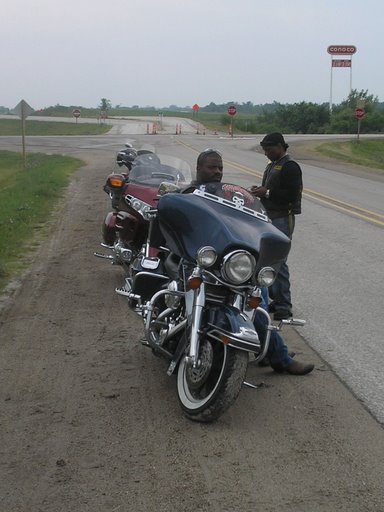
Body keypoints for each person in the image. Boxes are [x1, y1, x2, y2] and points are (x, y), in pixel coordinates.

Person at [192, 149, 314, 376]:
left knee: (258, 301)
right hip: (198, 261)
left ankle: (278, 356)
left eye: (220, 167)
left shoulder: (225, 195)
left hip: (228, 265)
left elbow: (245, 225)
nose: (217, 171)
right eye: (212, 167)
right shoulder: (189, 193)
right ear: (198, 168)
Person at [250, 133, 302, 321]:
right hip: (270, 217)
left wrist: (268, 192)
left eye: (269, 149)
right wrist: (261, 192)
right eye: (264, 150)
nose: (266, 153)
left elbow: (292, 194)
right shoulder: (272, 165)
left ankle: (284, 306)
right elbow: (270, 192)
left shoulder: (290, 166)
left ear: (281, 146)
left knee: (278, 261)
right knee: (268, 259)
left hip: (283, 218)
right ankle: (277, 299)